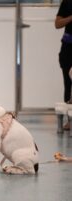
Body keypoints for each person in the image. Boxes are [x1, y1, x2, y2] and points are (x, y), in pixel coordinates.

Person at [55, 0, 72, 130]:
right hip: (68, 47)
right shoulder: (67, 2)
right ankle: (70, 120)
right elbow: (57, 24)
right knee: (68, 82)